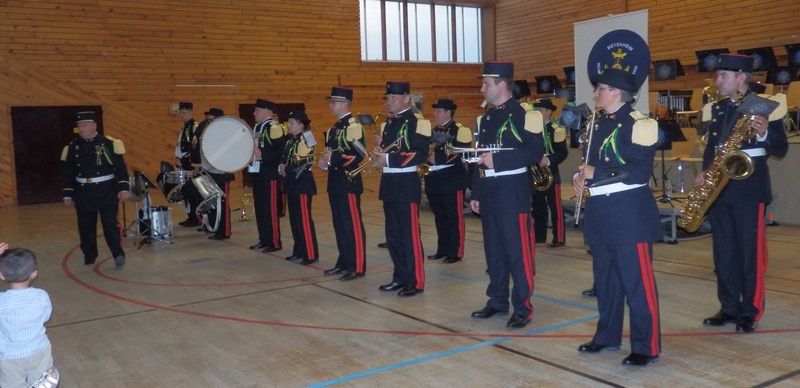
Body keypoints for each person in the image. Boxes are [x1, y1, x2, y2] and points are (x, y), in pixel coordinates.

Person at [573, 68, 661, 366]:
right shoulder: (596, 123)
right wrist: (579, 177)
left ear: (615, 93)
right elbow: (589, 164)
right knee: (606, 280)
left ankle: (645, 345)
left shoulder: (641, 124)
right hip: (600, 213)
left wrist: (596, 174)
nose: (595, 93)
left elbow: (639, 172)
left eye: (600, 88)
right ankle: (607, 336)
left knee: (637, 283)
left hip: (629, 215)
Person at [696, 53, 788, 333]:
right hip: (720, 188)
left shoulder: (764, 106)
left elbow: (780, 149)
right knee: (723, 254)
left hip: (749, 189)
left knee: (749, 253)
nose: (717, 80)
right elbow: (713, 148)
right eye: (717, 74)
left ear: (741, 77)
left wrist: (762, 134)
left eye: (723, 75)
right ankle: (728, 307)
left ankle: (750, 310)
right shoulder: (718, 109)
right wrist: (704, 172)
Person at [469, 62, 544, 329]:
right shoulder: (486, 118)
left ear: (501, 83)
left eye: (486, 83)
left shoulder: (527, 115)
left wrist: (497, 161)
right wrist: (476, 191)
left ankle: (523, 306)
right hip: (489, 192)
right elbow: (480, 159)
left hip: (513, 193)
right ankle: (497, 300)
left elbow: (535, 152)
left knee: (517, 253)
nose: (482, 88)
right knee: (494, 252)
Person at [372, 81, 430, 297]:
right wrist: (379, 155)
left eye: (394, 98)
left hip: (406, 183)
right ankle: (400, 277)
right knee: (393, 235)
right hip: (389, 184)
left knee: (409, 235)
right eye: (388, 98)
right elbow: (389, 153)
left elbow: (420, 153)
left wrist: (387, 158)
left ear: (407, 99)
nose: (389, 102)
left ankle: (416, 281)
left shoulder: (419, 122)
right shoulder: (388, 124)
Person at [61, 111, 130, 268]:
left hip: (106, 190)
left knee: (110, 225)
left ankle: (118, 254)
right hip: (83, 191)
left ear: (94, 125)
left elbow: (120, 168)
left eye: (85, 125)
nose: (82, 128)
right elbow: (68, 171)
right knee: (85, 226)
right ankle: (90, 254)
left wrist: (124, 187)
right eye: (79, 126)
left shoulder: (108, 143)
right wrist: (67, 191)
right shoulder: (73, 147)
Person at [318, 87, 367, 280]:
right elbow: (329, 152)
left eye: (334, 102)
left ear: (346, 102)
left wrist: (333, 159)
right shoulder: (334, 128)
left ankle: (357, 265)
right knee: (339, 224)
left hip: (349, 182)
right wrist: (324, 162)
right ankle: (344, 262)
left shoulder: (354, 126)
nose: (331, 105)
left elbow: (358, 155)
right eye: (331, 102)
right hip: (335, 182)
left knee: (351, 224)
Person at [0, 245, 60, 388]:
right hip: (40, 351)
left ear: (1, 275)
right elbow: (45, 316)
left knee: (12, 384)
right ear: (34, 274)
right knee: (41, 381)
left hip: (9, 356)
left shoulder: (1, 302)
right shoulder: (41, 296)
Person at [424, 99, 472, 264]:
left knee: (454, 217)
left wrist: (436, 158)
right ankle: (442, 249)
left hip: (452, 179)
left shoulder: (460, 130)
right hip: (434, 179)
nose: (435, 114)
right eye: (435, 111)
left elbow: (460, 151)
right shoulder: (433, 130)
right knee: (440, 216)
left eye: (438, 111)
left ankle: (456, 251)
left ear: (448, 112)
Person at [278, 111, 319, 265]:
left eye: (292, 123)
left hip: (302, 183)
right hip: (291, 183)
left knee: (303, 219)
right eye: (289, 122)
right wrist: (281, 166)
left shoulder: (307, 137)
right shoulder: (290, 140)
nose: (289, 125)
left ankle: (310, 252)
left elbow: (303, 161)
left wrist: (286, 168)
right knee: (295, 220)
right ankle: (299, 250)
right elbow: (284, 158)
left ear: (301, 125)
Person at [247, 99, 287, 252]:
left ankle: (274, 242)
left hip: (270, 175)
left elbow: (280, 152)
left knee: (270, 209)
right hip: (258, 173)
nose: (254, 113)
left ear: (266, 111)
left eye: (256, 110)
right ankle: (263, 239)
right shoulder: (257, 126)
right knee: (261, 209)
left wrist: (262, 155)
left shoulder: (274, 127)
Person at [531, 98, 569, 247]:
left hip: (551, 173)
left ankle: (559, 238)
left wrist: (547, 160)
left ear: (548, 112)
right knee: (538, 206)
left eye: (539, 110)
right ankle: (539, 236)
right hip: (536, 173)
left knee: (556, 208)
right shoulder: (532, 130)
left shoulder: (556, 129)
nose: (537, 113)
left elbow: (562, 153)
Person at [199, 108, 236, 240]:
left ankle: (224, 231)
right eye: (207, 119)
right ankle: (216, 227)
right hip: (210, 171)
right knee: (214, 203)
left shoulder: (225, 133)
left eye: (210, 119)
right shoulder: (209, 131)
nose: (208, 121)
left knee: (223, 203)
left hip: (222, 172)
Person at [174, 102, 203, 227]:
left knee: (192, 191)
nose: (181, 115)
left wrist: (183, 160)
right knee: (186, 191)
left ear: (191, 112)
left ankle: (196, 217)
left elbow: (194, 148)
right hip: (183, 163)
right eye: (180, 112)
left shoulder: (194, 127)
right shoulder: (185, 127)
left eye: (183, 112)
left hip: (190, 164)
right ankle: (191, 216)